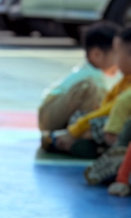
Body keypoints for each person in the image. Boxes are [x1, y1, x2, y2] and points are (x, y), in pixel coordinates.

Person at [46, 25, 131, 159]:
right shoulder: (124, 81)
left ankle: (84, 144)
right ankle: (87, 144)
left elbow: (112, 109)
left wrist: (76, 130)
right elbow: (105, 106)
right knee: (84, 117)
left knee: (100, 123)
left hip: (117, 132)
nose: (116, 60)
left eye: (117, 53)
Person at [39, 21, 120, 133]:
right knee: (90, 89)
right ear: (96, 55)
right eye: (117, 55)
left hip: (52, 113)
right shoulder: (91, 75)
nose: (119, 62)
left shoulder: (92, 73)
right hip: (49, 115)